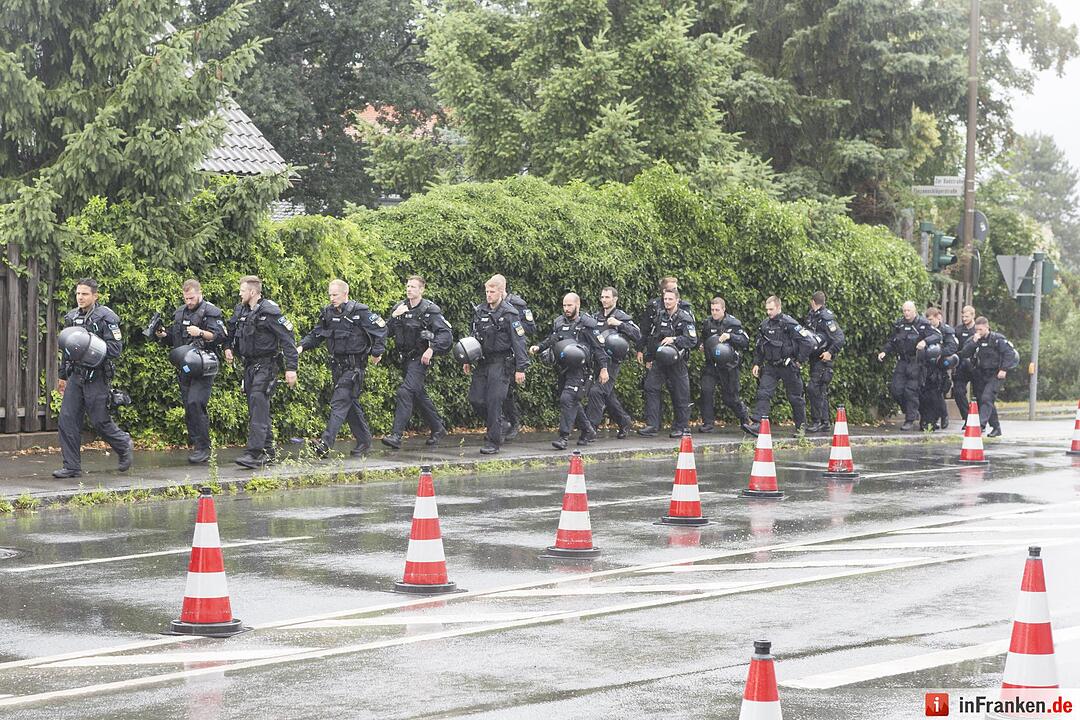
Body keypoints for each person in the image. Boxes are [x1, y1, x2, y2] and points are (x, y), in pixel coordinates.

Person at [53, 278, 133, 478]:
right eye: (78, 293)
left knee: (99, 421)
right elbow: (67, 350)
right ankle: (71, 467)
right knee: (67, 420)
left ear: (95, 296)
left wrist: (91, 347)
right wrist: (62, 376)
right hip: (75, 377)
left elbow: (115, 349)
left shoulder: (106, 317)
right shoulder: (71, 317)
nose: (80, 297)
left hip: (97, 377)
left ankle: (123, 444)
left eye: (85, 294)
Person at [298, 279, 386, 459]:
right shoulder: (328, 313)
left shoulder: (359, 312)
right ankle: (364, 441)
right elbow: (316, 335)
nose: (332, 298)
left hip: (354, 368)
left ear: (345, 294)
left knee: (339, 402)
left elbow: (381, 329)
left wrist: (377, 352)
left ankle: (325, 444)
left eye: (335, 295)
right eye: (330, 294)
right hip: (337, 367)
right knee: (349, 404)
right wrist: (301, 347)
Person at [224, 275, 298, 468]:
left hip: (266, 366)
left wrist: (291, 368)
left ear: (252, 292)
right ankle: (268, 452)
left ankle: (254, 453)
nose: (240, 294)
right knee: (257, 408)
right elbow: (230, 331)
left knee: (258, 404)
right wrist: (228, 348)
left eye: (242, 290)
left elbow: (288, 340)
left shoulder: (270, 312)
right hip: (249, 366)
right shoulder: (241, 309)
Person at [154, 279, 227, 463]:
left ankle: (204, 447)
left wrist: (200, 332)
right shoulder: (180, 312)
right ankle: (197, 445)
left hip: (204, 365)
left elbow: (220, 336)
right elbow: (175, 339)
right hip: (185, 365)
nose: (189, 301)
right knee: (188, 405)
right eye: (186, 298)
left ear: (200, 293)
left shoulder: (211, 311)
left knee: (196, 403)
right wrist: (164, 335)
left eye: (192, 297)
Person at [382, 276, 454, 449]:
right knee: (418, 394)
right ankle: (438, 428)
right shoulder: (399, 308)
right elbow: (385, 331)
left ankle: (396, 436)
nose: (409, 289)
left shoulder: (429, 310)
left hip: (420, 358)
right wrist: (393, 316)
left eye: (413, 287)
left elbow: (446, 334)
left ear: (422, 290)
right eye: (408, 286)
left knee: (405, 392)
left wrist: (432, 348)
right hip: (405, 359)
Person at [531, 293, 608, 449]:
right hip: (564, 368)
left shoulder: (587, 325)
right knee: (571, 401)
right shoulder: (559, 323)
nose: (566, 309)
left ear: (577, 305)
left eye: (569, 305)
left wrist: (604, 369)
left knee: (567, 399)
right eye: (564, 305)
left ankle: (563, 437)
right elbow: (552, 339)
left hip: (581, 370)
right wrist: (539, 347)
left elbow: (599, 348)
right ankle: (588, 430)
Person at [464, 275, 529, 454]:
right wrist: (468, 359)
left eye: (492, 292)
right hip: (483, 361)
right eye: (487, 291)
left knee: (494, 401)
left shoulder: (510, 314)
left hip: (501, 363)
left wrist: (521, 368)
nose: (489, 295)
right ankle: (500, 424)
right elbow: (474, 336)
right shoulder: (481, 311)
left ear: (501, 292)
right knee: (475, 399)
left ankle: (493, 442)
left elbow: (519, 342)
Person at [749, 296, 817, 436]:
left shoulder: (789, 323)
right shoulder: (765, 325)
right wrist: (757, 363)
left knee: (795, 397)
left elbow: (807, 342)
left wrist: (799, 361)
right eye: (767, 309)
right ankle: (757, 425)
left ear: (779, 307)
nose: (768, 312)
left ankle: (801, 428)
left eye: (771, 309)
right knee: (763, 393)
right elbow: (760, 346)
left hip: (788, 366)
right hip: (771, 366)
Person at [639, 288, 696, 437]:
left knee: (681, 393)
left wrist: (675, 339)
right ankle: (652, 425)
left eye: (670, 299)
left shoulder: (685, 318)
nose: (667, 302)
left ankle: (682, 427)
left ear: (677, 300)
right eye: (665, 299)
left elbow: (692, 340)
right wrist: (649, 358)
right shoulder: (660, 316)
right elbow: (654, 338)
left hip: (678, 360)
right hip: (660, 360)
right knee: (650, 386)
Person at [586, 286, 641, 438]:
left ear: (615, 299)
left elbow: (638, 335)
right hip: (596, 360)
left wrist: (619, 324)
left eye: (607, 297)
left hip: (611, 362)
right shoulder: (596, 316)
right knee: (607, 395)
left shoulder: (621, 316)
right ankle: (624, 422)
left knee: (597, 392)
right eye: (602, 297)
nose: (604, 300)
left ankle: (590, 429)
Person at [877, 300, 941, 431]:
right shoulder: (899, 324)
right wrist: (884, 351)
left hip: (916, 361)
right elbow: (892, 341)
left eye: (908, 310)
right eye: (904, 310)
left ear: (914, 311)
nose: (906, 313)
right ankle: (912, 411)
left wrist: (925, 341)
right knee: (896, 389)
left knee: (910, 391)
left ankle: (910, 420)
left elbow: (937, 336)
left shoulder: (923, 324)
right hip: (902, 361)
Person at [697, 297, 752, 434]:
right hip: (711, 364)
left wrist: (730, 337)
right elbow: (701, 339)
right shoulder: (707, 323)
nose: (714, 313)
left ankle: (745, 417)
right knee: (706, 390)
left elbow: (745, 341)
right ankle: (708, 423)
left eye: (717, 310)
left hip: (728, 365)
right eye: (712, 310)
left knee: (730, 398)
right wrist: (701, 345)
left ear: (723, 309)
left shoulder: (733, 323)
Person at [958, 316, 1017, 437]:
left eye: (980, 329)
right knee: (984, 400)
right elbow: (964, 353)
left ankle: (980, 425)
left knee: (987, 397)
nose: (978, 332)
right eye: (976, 329)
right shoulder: (974, 339)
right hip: (980, 374)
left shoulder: (997, 339)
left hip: (996, 374)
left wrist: (1004, 369)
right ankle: (996, 427)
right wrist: (973, 342)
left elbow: (1009, 353)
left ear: (987, 327)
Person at [804, 291, 845, 433]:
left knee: (813, 388)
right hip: (814, 359)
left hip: (823, 360)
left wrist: (830, 352)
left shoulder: (826, 318)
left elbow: (839, 338)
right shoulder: (811, 315)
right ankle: (825, 422)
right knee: (820, 390)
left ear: (812, 301)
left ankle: (817, 421)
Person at [500, 278, 536, 441]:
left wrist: (513, 326)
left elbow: (530, 327)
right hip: (498, 353)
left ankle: (513, 423)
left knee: (507, 392)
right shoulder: (491, 305)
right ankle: (501, 423)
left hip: (513, 352)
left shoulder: (517, 304)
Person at [636, 276, 694, 364]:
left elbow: (691, 337)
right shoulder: (655, 308)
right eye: (673, 288)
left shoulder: (684, 308)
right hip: (657, 355)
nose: (676, 291)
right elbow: (646, 330)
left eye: (676, 288)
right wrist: (642, 351)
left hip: (677, 355)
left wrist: (674, 339)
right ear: (664, 291)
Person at [919, 307, 959, 431]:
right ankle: (927, 421)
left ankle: (943, 415)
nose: (930, 322)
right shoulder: (926, 330)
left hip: (939, 367)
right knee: (925, 395)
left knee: (936, 394)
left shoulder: (946, 330)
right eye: (928, 319)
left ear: (938, 317)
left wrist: (939, 353)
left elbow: (952, 347)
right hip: (926, 367)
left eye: (932, 319)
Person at [952, 304, 978, 421]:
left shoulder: (978, 330)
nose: (964, 319)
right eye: (963, 316)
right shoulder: (958, 330)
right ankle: (967, 418)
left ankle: (980, 420)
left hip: (975, 365)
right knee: (958, 392)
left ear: (973, 316)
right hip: (961, 365)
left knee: (980, 393)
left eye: (967, 316)